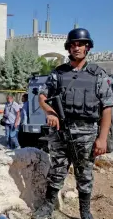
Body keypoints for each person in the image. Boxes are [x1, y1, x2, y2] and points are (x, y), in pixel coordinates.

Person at [34, 28, 113, 219]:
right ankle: (48, 207)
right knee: (57, 171)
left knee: (84, 174)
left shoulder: (98, 74)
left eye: (80, 44)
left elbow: (107, 107)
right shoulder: (58, 74)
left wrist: (102, 139)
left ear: (87, 47)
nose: (76, 47)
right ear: (68, 48)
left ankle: (85, 212)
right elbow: (42, 97)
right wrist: (50, 113)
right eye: (73, 44)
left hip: (87, 133)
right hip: (61, 131)